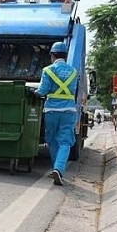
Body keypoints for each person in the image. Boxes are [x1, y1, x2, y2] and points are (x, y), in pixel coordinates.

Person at [34, 42, 77, 186]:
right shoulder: (73, 71)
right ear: (65, 55)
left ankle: (56, 168)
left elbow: (42, 90)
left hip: (52, 110)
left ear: (52, 55)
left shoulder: (48, 70)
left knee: (52, 140)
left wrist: (34, 93)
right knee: (65, 141)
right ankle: (58, 169)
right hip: (69, 111)